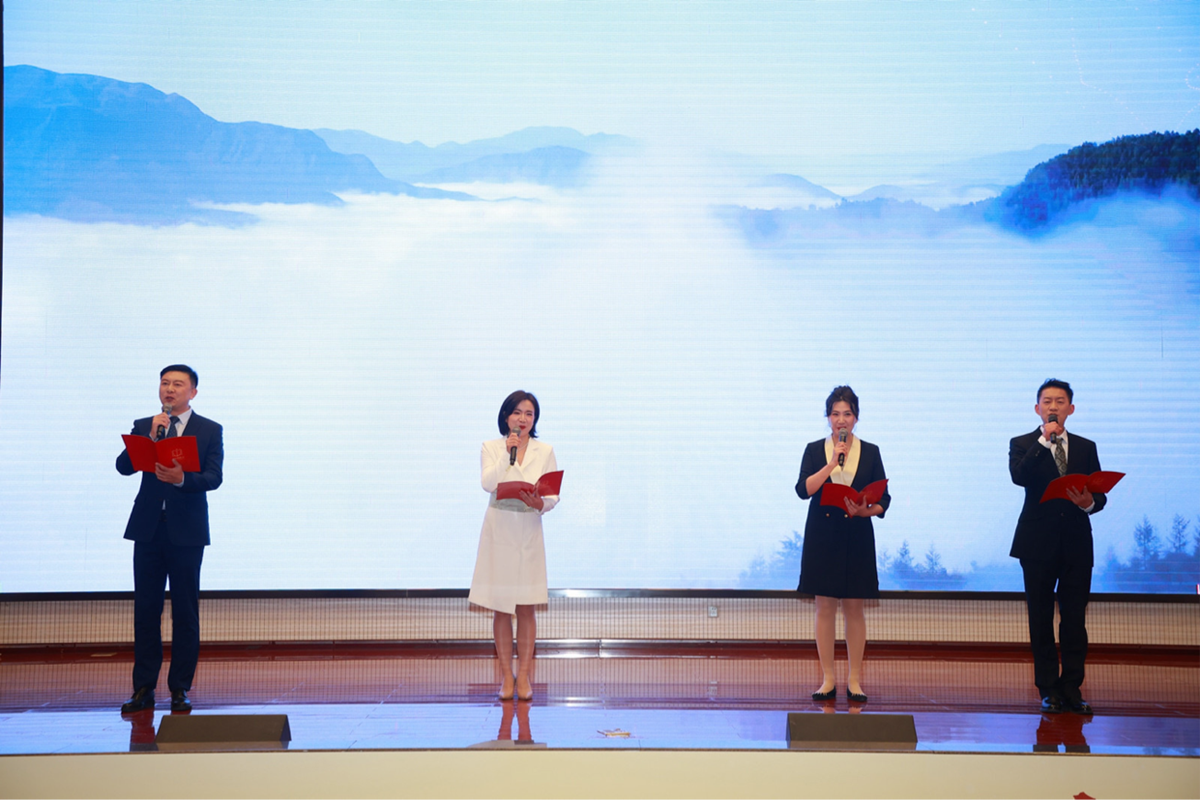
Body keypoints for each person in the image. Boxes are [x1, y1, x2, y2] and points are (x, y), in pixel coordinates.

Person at [116, 365, 223, 714]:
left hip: (187, 533)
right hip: (148, 529)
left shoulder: (209, 429)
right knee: (146, 610)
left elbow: (214, 477)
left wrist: (181, 479)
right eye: (165, 383)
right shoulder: (145, 425)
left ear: (193, 392)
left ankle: (180, 688)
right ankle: (143, 688)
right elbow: (123, 467)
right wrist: (149, 437)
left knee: (185, 611)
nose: (170, 389)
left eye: (178, 384)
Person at [1009, 378, 1105, 715]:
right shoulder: (1023, 443)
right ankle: (1048, 689)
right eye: (1047, 401)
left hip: (1076, 544)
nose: (1053, 406)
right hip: (1036, 543)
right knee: (1040, 618)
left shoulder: (1086, 447)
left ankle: (1072, 689)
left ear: (1071, 409)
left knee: (1074, 620)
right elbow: (1019, 476)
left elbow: (1099, 495)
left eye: (1060, 401)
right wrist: (1043, 441)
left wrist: (1088, 502)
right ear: (1037, 408)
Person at [794, 386, 890, 704]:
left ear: (856, 418)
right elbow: (803, 490)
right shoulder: (815, 450)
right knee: (824, 608)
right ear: (828, 418)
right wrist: (831, 464)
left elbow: (884, 499)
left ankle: (854, 680)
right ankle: (828, 679)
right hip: (823, 534)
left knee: (854, 609)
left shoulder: (871, 451)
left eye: (847, 413)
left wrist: (865, 510)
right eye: (835, 414)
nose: (841, 420)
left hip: (856, 534)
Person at [469, 391, 559, 701]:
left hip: (528, 530)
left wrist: (540, 503)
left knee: (527, 606)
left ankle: (525, 677)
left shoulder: (545, 450)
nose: (523, 419)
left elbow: (552, 495)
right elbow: (488, 483)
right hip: (500, 532)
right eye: (517, 412)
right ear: (506, 416)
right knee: (502, 607)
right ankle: (507, 676)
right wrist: (508, 454)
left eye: (529, 414)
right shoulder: (492, 447)